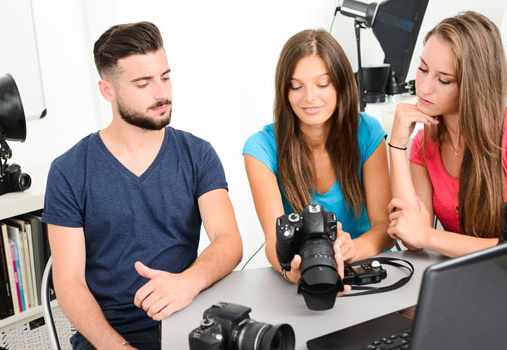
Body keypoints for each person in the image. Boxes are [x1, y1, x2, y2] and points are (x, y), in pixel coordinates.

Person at [42, 21, 243, 350]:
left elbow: (229, 240)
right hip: (109, 334)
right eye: (143, 83)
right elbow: (69, 283)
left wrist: (187, 283)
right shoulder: (68, 171)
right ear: (108, 90)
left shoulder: (198, 154)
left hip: (188, 315)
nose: (162, 93)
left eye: (165, 77)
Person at [386, 11, 507, 257]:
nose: (423, 87)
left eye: (443, 80)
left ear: (473, 86)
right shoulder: (425, 143)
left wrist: (429, 236)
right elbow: (411, 238)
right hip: (469, 281)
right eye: (423, 69)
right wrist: (398, 146)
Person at [243, 29, 394, 285]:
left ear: (341, 85)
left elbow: (385, 230)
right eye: (296, 86)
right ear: (285, 91)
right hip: (306, 272)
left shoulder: (367, 132)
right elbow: (272, 239)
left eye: (322, 84)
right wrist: (291, 270)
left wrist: (352, 249)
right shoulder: (260, 147)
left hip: (368, 269)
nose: (309, 97)